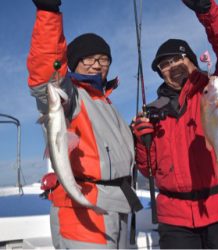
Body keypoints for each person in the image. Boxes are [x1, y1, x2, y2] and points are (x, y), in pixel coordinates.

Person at [132, 0, 218, 248]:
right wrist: (142, 143)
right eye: (164, 65)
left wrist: (207, 10)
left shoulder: (217, 89)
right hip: (175, 220)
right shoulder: (153, 112)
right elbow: (149, 169)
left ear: (193, 61)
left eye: (178, 59)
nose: (171, 66)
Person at [27, 0, 142, 248]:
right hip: (83, 211)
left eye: (103, 59)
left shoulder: (107, 103)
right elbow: (47, 73)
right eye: (88, 58)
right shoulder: (71, 96)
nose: (97, 64)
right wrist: (48, 13)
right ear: (74, 63)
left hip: (119, 206)